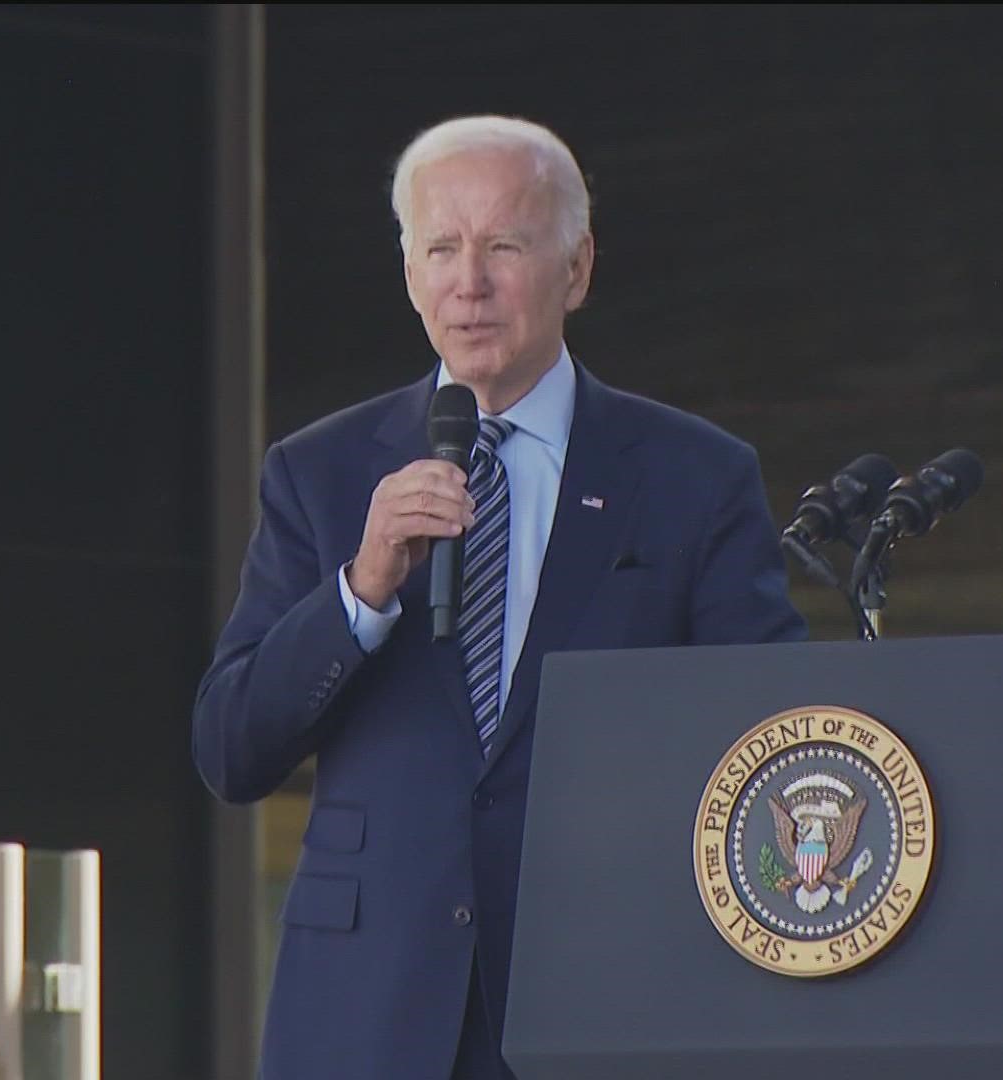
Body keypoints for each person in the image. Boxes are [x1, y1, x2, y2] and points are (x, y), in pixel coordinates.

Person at [193, 115, 807, 1080]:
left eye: (504, 246)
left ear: (578, 267)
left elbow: (777, 738)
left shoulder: (695, 477)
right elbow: (231, 750)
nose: (468, 282)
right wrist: (360, 592)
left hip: (606, 1000)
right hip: (367, 1014)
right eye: (441, 248)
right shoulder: (318, 473)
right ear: (409, 273)